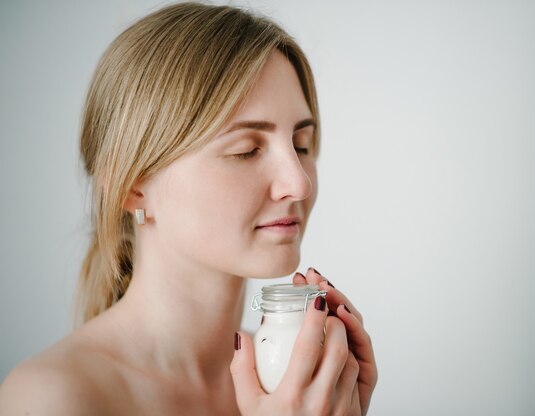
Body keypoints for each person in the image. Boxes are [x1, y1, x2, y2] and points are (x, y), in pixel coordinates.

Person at [0, 2, 377, 415]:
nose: (299, 183)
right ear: (133, 186)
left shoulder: (300, 386)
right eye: (246, 150)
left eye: (301, 146)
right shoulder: (52, 398)